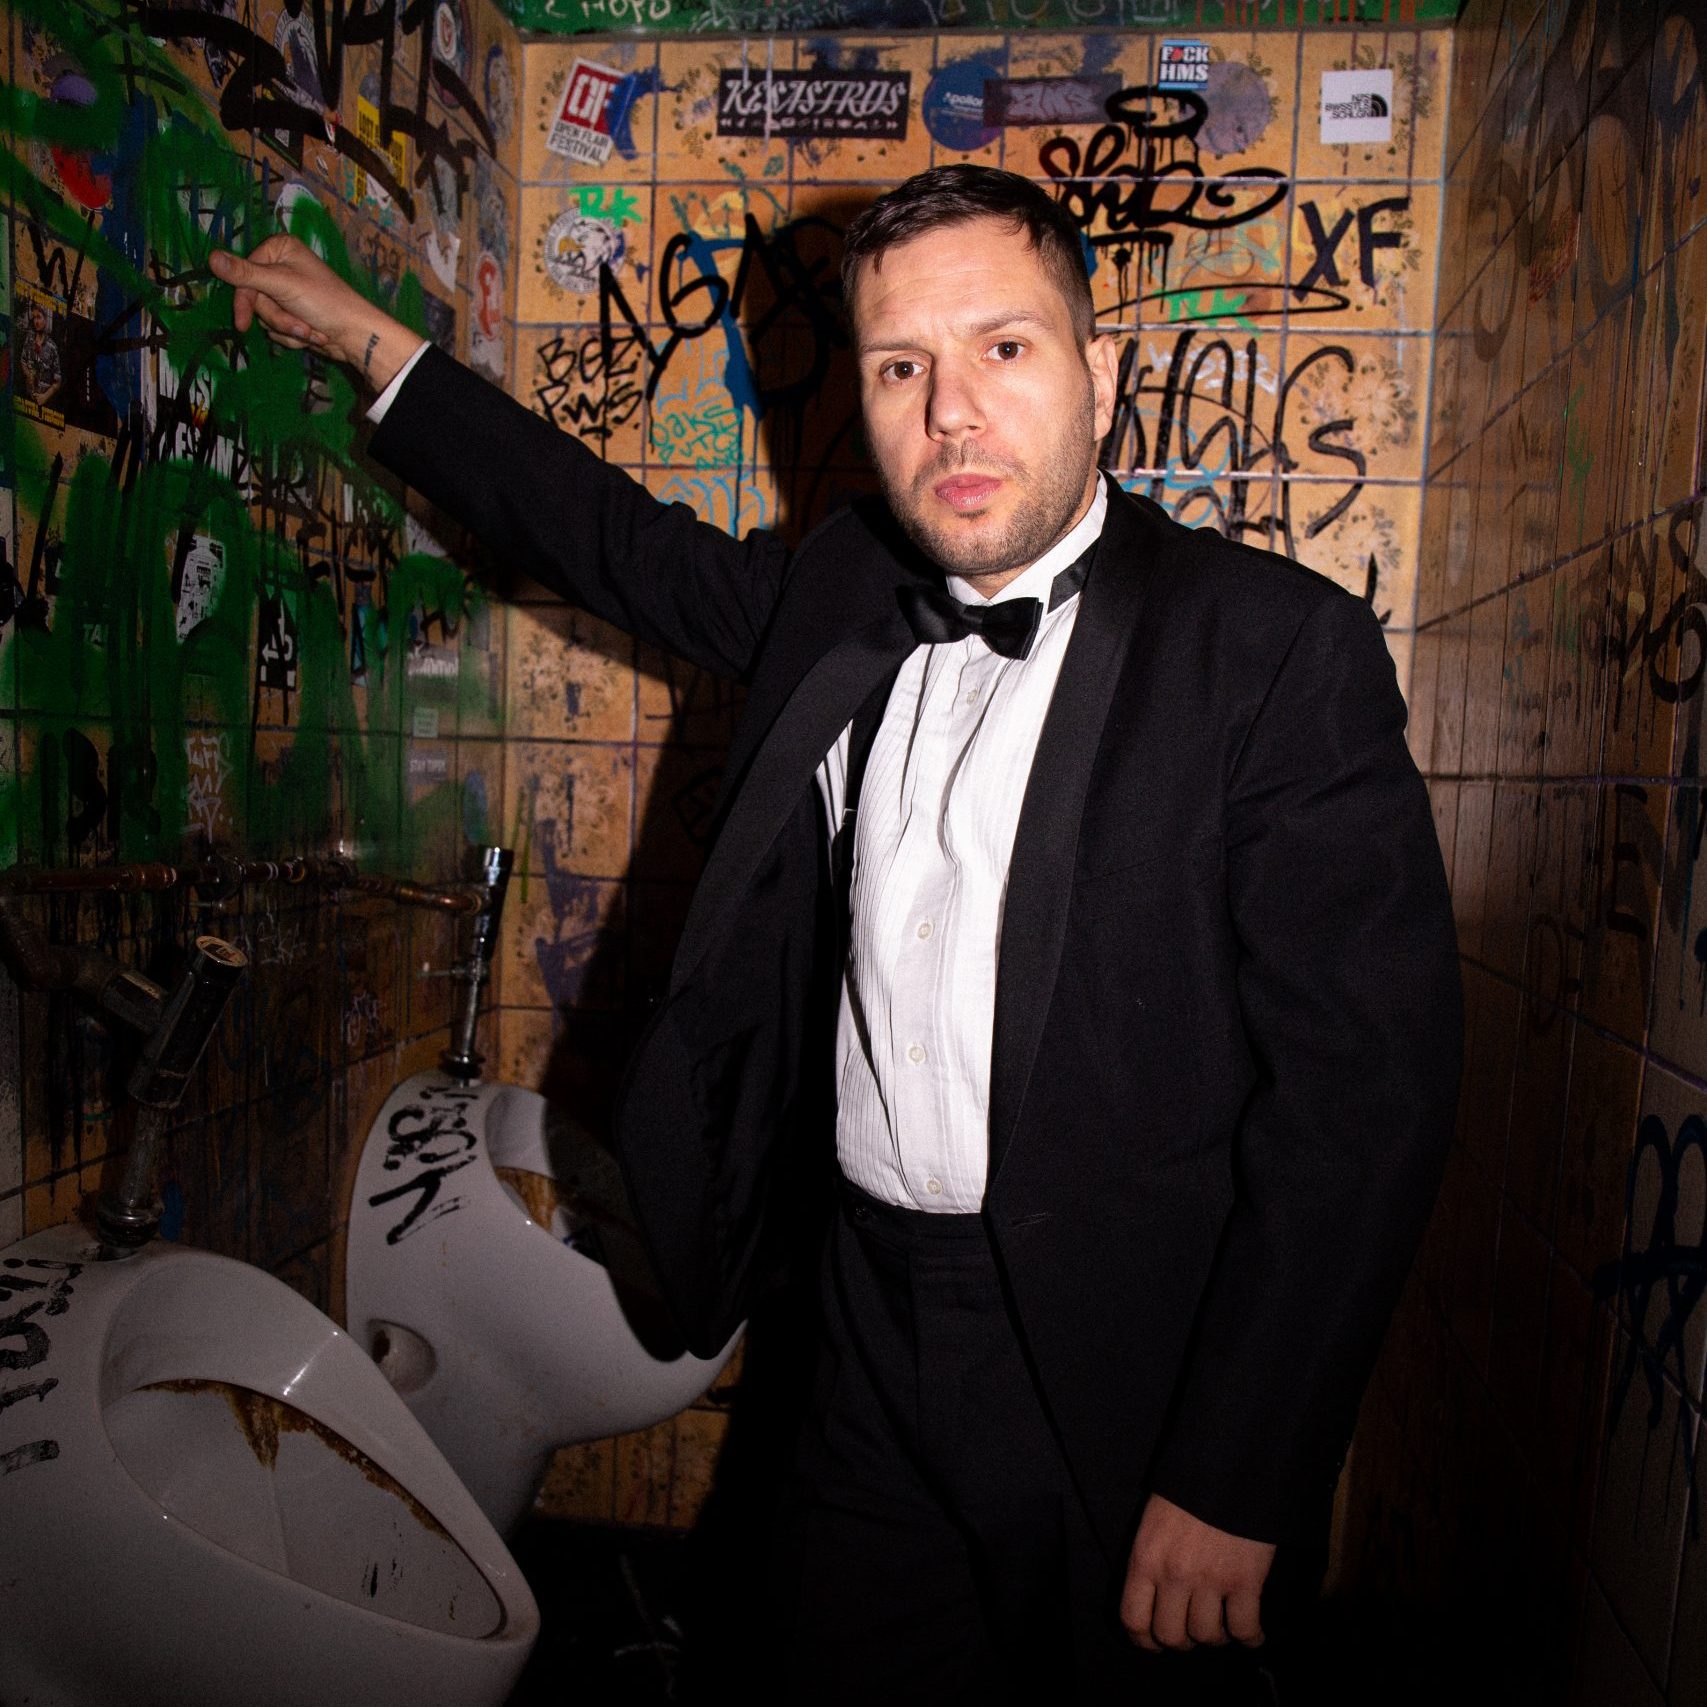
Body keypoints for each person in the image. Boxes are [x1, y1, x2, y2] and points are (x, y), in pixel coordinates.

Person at [210, 165, 1461, 1701]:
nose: (952, 413)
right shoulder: (844, 584)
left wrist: (1242, 1469)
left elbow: (1364, 1098)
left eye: (1004, 348)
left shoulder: (1270, 649)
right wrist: (372, 346)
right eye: (899, 367)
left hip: (1124, 1363)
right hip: (862, 1325)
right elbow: (615, 541)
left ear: (1101, 372)